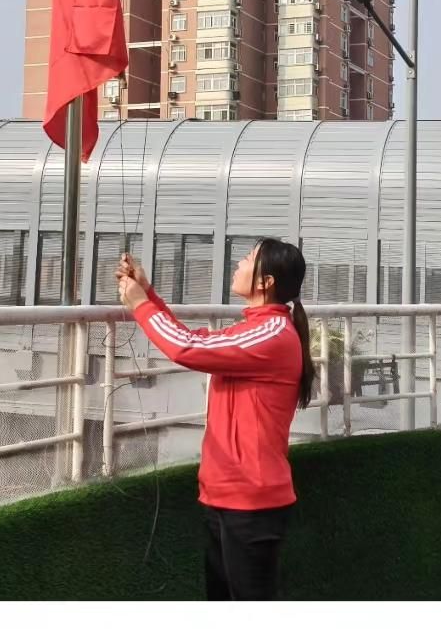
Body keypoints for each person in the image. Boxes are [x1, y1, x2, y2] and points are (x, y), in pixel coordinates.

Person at [117, 237, 314, 600]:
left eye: (248, 258)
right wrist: (148, 293)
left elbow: (187, 348)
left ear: (265, 282)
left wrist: (140, 304)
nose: (238, 263)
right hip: (226, 497)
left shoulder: (271, 334)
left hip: (251, 503)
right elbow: (192, 340)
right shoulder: (253, 329)